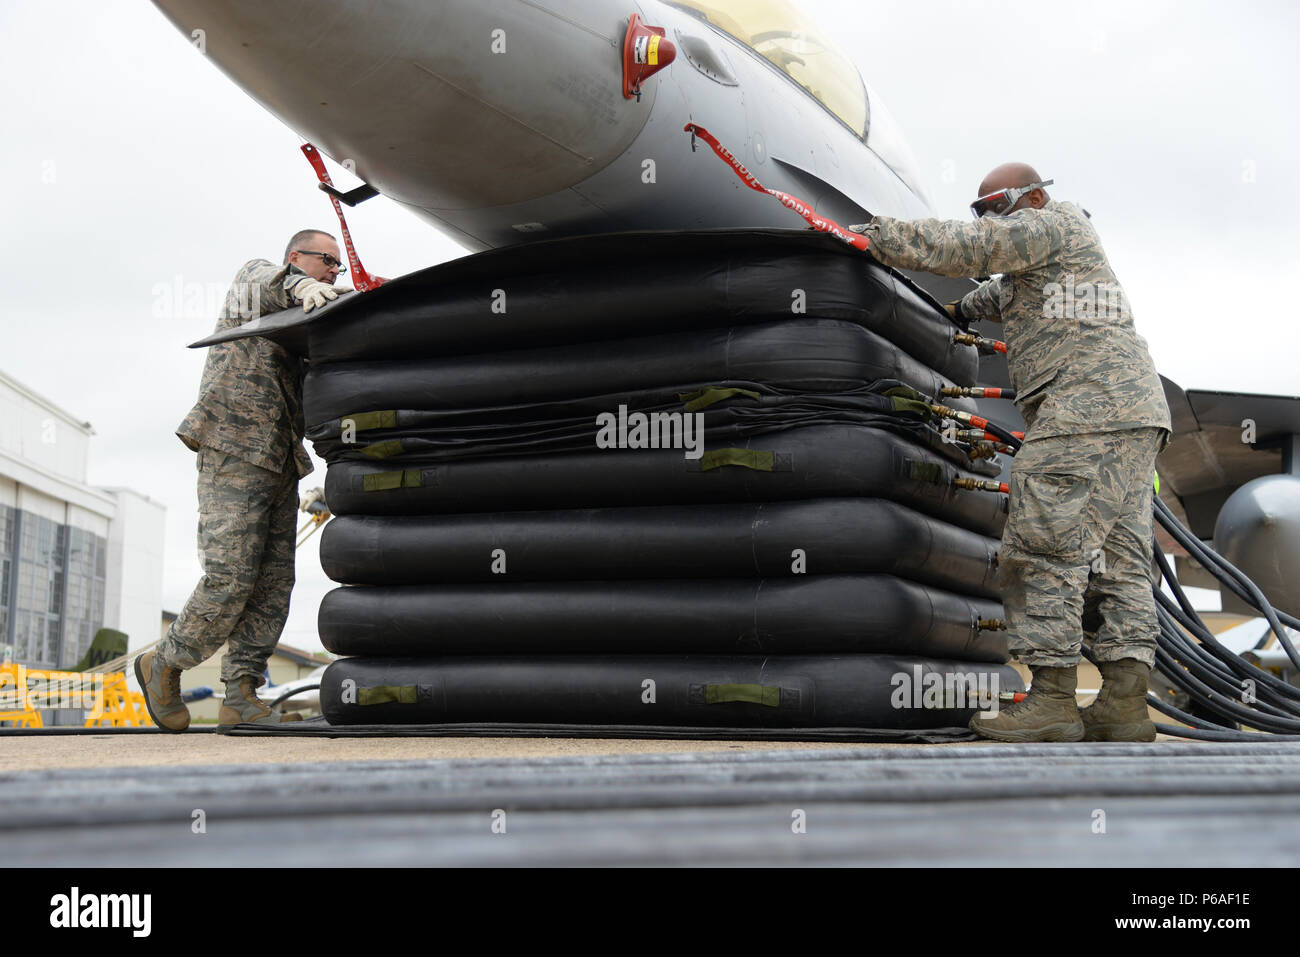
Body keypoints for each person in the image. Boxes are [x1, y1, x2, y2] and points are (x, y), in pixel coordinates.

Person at [853, 164, 1171, 742]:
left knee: (1039, 542)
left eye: (995, 206)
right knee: (1119, 562)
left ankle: (1051, 700)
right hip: (1134, 412)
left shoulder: (1055, 223)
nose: (990, 219)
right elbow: (988, 295)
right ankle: (1124, 704)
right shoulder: (1039, 275)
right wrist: (949, 315)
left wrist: (877, 237)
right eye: (982, 210)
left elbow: (977, 249)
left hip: (1089, 405)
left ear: (1035, 196)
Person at [135, 229, 347, 731]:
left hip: (280, 463)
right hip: (233, 448)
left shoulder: (304, 334)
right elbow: (260, 276)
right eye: (327, 261)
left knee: (274, 584)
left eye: (337, 266)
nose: (333, 272)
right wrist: (300, 285)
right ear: (297, 257)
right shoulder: (255, 287)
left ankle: (242, 694)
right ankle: (165, 661)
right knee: (230, 576)